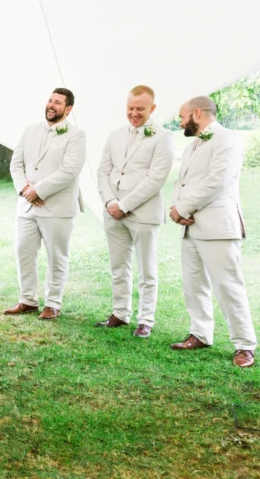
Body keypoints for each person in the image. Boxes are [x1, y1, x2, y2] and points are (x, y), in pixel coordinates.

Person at [169, 96, 257, 367]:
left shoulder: (228, 138)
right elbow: (182, 183)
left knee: (228, 285)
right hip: (191, 228)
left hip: (219, 226)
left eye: (183, 116)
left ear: (197, 113)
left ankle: (244, 345)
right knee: (193, 285)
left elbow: (216, 181)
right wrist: (177, 206)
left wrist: (182, 208)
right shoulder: (192, 146)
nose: (181, 122)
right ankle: (200, 334)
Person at [95, 86, 174, 337]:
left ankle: (146, 320)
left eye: (140, 108)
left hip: (143, 212)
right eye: (130, 108)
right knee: (119, 266)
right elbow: (103, 172)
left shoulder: (162, 137)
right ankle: (120, 313)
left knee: (147, 269)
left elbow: (155, 179)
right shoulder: (115, 135)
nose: (134, 113)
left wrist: (124, 205)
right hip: (113, 212)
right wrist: (110, 202)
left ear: (152, 108)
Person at [5, 89, 86, 320]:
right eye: (50, 100)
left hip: (58, 207)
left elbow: (69, 171)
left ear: (68, 109)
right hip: (27, 206)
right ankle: (27, 300)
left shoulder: (76, 136)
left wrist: (37, 190)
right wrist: (25, 190)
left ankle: (53, 303)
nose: (51, 105)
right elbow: (15, 164)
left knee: (56, 256)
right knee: (23, 251)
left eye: (57, 103)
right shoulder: (30, 130)